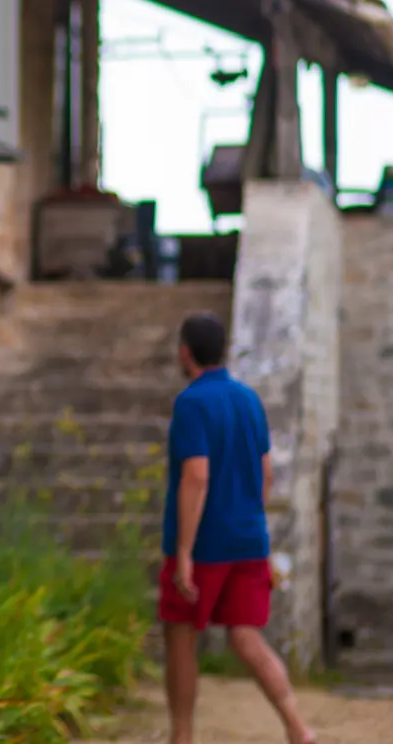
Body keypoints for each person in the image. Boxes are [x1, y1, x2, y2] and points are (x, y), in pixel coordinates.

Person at [160, 312, 315, 744]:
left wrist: (185, 552)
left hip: (205, 543)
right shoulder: (249, 400)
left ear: (185, 352)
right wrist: (247, 518)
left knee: (181, 635)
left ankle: (182, 737)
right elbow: (266, 473)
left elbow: (196, 475)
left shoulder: (191, 403)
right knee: (247, 638)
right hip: (249, 539)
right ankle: (298, 727)